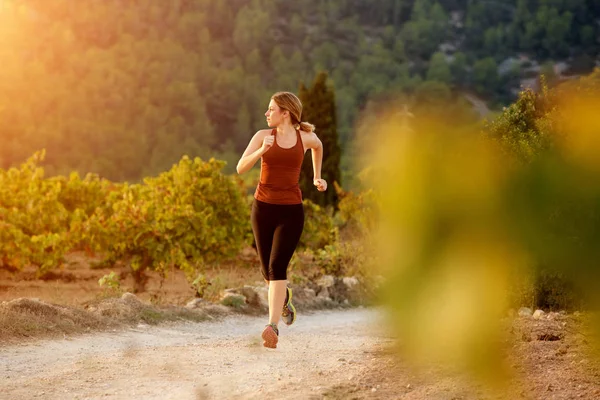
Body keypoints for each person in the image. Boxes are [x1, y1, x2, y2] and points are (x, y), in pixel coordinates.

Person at [236, 91, 327, 349]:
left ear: (285, 113)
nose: (267, 113)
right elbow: (241, 167)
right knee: (267, 272)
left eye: (271, 109)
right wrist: (261, 152)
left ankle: (272, 326)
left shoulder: (305, 138)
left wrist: (316, 177)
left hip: (291, 211)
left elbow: (318, 146)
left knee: (277, 267)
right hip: (262, 209)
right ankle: (284, 298)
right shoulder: (262, 137)